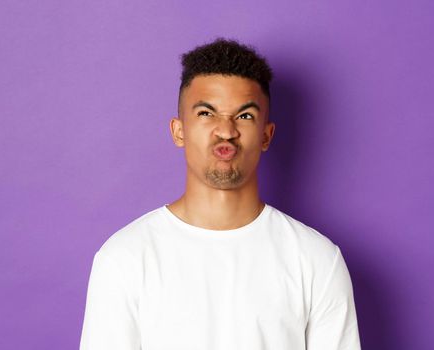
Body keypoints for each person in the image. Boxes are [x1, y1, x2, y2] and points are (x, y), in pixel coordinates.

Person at [79, 38, 361, 350]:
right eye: (206, 113)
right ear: (178, 131)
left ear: (266, 135)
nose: (226, 131)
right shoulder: (124, 258)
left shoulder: (316, 260)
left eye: (244, 116)